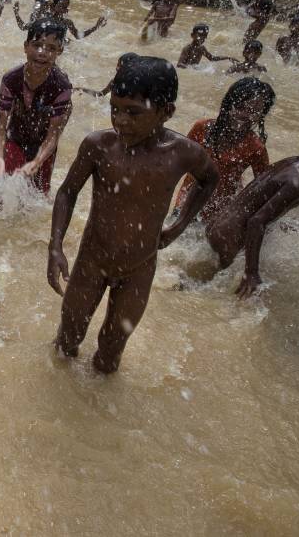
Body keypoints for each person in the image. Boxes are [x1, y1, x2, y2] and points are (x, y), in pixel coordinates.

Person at [48, 55, 219, 373]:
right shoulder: (99, 146)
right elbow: (67, 192)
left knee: (110, 353)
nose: (120, 120)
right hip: (91, 263)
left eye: (133, 112)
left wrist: (179, 225)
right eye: (115, 108)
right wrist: (55, 246)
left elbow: (210, 179)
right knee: (67, 342)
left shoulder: (183, 153)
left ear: (166, 112)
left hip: (138, 271)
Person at [206, 117, 299, 299]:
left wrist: (279, 224)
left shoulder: (290, 162)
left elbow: (256, 204)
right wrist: (251, 273)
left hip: (218, 227)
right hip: (230, 240)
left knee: (200, 285)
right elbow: (257, 221)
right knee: (222, 300)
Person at [0, 20, 73, 194]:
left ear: (59, 51)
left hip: (44, 146)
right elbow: (0, 125)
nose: (42, 53)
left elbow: (53, 135)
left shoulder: (61, 86)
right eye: (36, 45)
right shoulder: (11, 79)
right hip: (15, 140)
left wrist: (37, 161)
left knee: (39, 197)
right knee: (3, 191)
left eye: (51, 48)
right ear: (26, 47)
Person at [175, 77, 274, 222]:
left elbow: (262, 187)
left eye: (253, 111)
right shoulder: (202, 128)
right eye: (240, 107)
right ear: (228, 104)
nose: (245, 115)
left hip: (218, 213)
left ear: (261, 116)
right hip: (186, 202)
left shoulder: (256, 148)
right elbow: (178, 162)